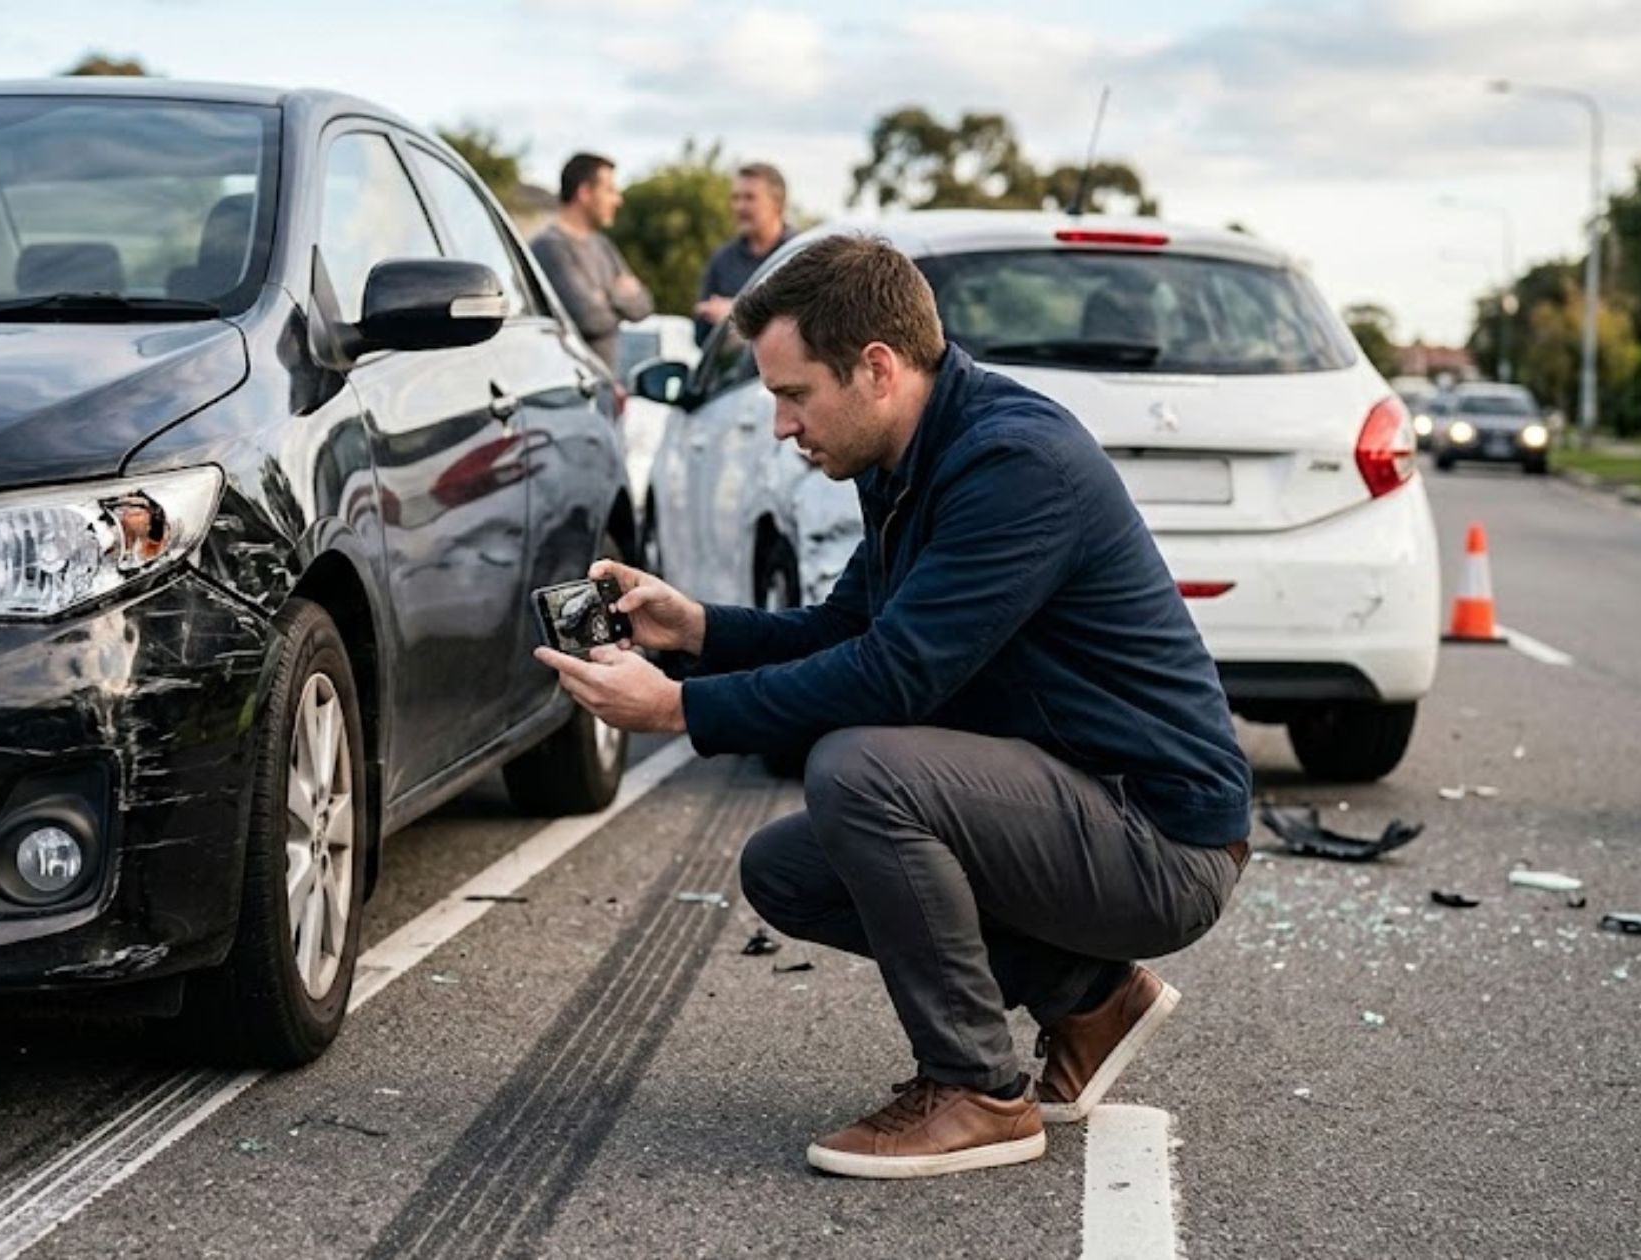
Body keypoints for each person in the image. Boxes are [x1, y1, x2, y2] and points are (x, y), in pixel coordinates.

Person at [531, 234, 1252, 1180]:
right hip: (1074, 803)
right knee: (787, 869)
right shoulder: (904, 454)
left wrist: (676, 710)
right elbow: (848, 628)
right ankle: (1089, 999)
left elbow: (894, 677)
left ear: (875, 367)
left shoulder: (1013, 464)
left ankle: (979, 1092)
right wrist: (698, 627)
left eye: (794, 395)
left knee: (862, 769)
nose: (783, 426)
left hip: (1160, 836)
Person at [530, 152, 653, 371]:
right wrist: (620, 294)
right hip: (570, 388)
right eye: (610, 191)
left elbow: (643, 307)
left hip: (605, 384)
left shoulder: (603, 246)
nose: (618, 200)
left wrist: (602, 296)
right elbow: (590, 319)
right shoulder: (550, 247)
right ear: (585, 192)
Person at [693, 162, 792, 343]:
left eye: (749, 198)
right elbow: (701, 336)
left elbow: (804, 327)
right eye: (735, 198)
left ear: (777, 203)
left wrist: (735, 314)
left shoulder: (800, 256)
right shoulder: (722, 260)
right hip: (734, 370)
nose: (739, 207)